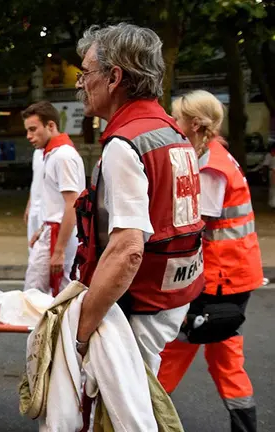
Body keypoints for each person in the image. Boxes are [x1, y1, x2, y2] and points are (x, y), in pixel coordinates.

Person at [72, 23, 205, 374]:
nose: (81, 84)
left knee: (121, 403)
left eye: (85, 73)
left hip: (136, 305)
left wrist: (81, 332)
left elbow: (127, 251)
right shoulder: (171, 132)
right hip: (171, 297)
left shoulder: (125, 144)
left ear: (114, 77)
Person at [157, 90, 260, 431]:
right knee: (225, 357)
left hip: (219, 278)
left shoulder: (211, 169)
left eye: (177, 118)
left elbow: (194, 226)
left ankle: (144, 415)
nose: (173, 124)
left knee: (175, 347)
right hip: (232, 274)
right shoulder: (215, 155)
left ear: (195, 125)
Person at [23, 101, 85, 296]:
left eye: (33, 129)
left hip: (58, 233)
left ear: (50, 126)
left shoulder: (62, 156)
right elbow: (57, 203)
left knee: (36, 293)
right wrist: (42, 229)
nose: (29, 136)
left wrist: (59, 250)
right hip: (52, 231)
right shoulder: (53, 154)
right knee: (54, 291)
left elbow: (72, 204)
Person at [24, 147, 44, 255]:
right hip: (35, 209)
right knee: (32, 249)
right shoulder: (37, 153)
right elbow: (36, 180)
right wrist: (29, 204)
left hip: (47, 211)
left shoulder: (59, 154)